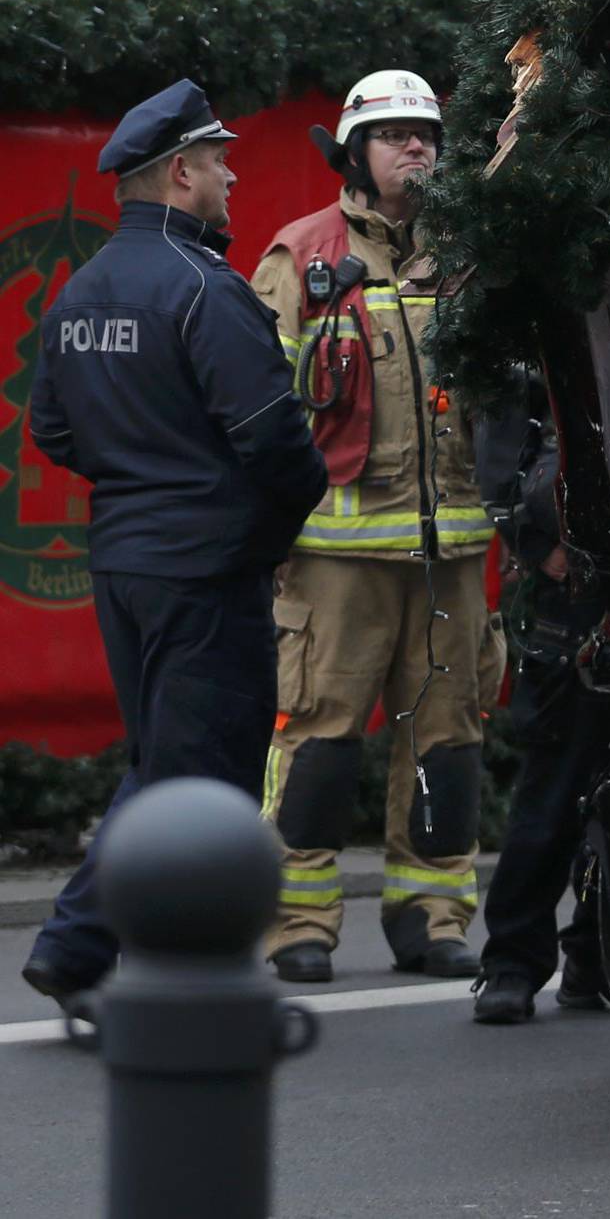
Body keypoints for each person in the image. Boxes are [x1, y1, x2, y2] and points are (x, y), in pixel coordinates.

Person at [21, 80, 327, 1012]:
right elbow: (281, 446)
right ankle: (92, 950)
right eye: (219, 160)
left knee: (165, 761)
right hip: (205, 569)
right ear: (182, 173)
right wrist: (270, 532)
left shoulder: (81, 290)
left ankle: (120, 955)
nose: (233, 174)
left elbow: (51, 432)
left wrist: (141, 470)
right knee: (203, 780)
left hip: (125, 563)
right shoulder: (205, 287)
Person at [253, 69, 499, 985]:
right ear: (355, 152)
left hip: (450, 556)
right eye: (396, 134)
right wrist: (265, 534)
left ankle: (431, 914)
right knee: (317, 740)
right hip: (333, 561)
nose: (417, 149)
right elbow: (255, 411)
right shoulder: (297, 258)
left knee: (449, 739)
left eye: (427, 135)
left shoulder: (467, 252)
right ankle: (299, 923)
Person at [469, 380, 610, 1024]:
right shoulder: (535, 313)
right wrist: (539, 545)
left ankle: (598, 956)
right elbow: (501, 441)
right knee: (554, 788)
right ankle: (512, 963)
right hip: (576, 592)